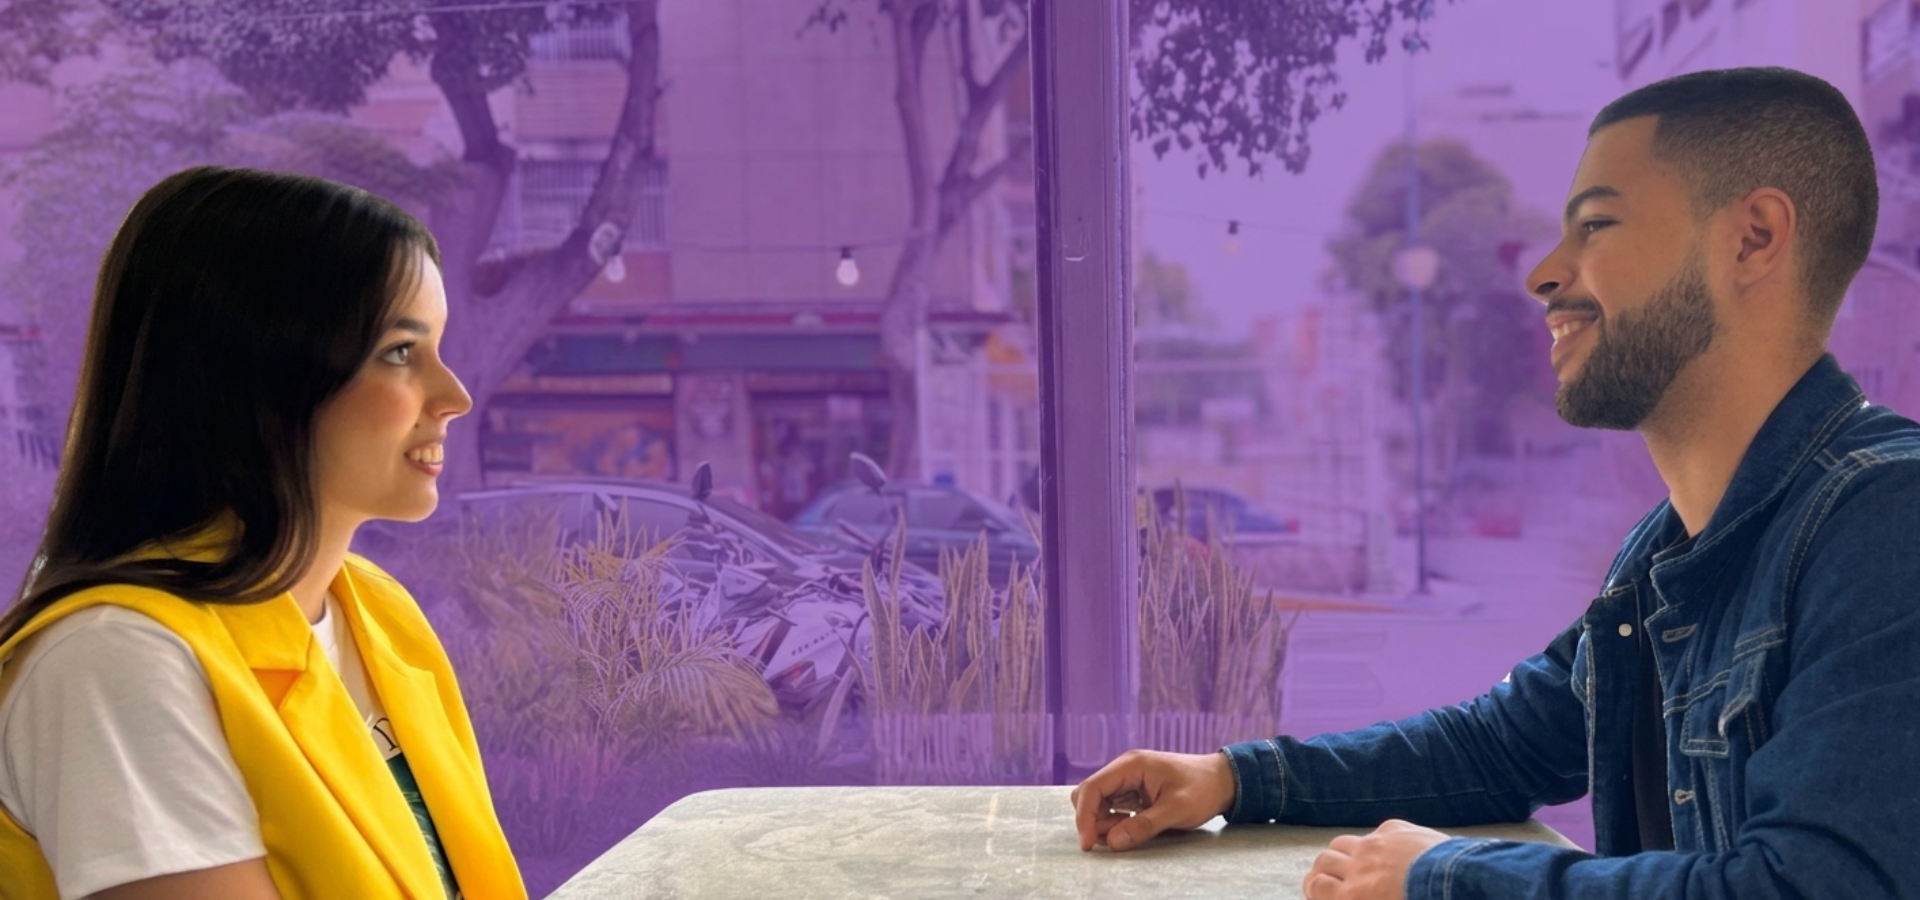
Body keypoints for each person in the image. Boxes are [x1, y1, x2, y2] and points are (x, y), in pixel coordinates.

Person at [1072, 66, 1920, 899]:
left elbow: (1819, 885)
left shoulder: (1888, 517)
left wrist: (1442, 874)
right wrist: (1232, 778)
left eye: (1596, 225)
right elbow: (1501, 745)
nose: (1544, 273)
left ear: (1753, 239)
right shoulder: (1663, 554)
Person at [0, 167, 524, 900]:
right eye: (401, 352)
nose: (455, 396)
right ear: (259, 376)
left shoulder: (376, 612)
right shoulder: (116, 660)